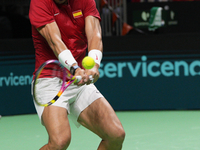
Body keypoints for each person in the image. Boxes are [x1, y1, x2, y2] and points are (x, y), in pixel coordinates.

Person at [29, 0, 125, 149]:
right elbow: (55, 41)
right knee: (59, 142)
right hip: (50, 80)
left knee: (115, 134)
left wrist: (93, 65)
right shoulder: (40, 2)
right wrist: (74, 68)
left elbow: (95, 34)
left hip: (78, 82)